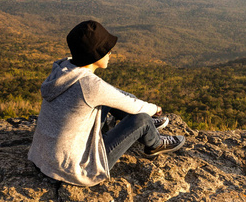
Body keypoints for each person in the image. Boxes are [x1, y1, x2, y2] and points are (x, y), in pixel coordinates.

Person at [28, 20, 185, 186]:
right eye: (107, 50)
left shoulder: (63, 70)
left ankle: (148, 127)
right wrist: (154, 109)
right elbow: (132, 105)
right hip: (75, 168)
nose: (110, 53)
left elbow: (114, 95)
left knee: (112, 101)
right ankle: (155, 143)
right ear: (95, 54)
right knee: (142, 120)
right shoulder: (89, 85)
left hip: (42, 157)